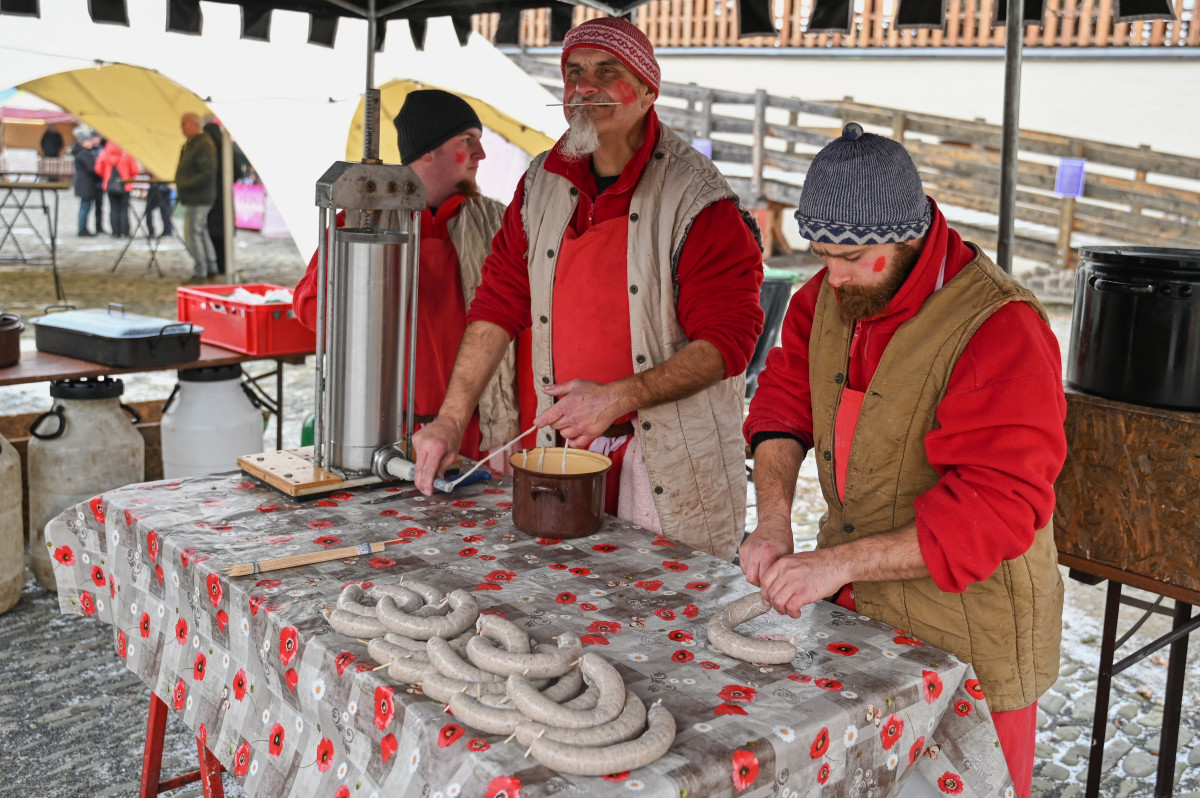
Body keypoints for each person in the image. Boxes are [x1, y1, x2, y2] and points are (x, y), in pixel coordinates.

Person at [739, 123, 1066, 798]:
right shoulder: (824, 298)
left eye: (854, 257)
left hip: (973, 637)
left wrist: (838, 563)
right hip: (863, 620)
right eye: (822, 254)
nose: (834, 275)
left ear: (910, 236)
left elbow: (995, 510)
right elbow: (781, 405)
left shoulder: (999, 326)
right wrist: (772, 519)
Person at [411, 18, 764, 560]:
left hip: (669, 460)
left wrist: (617, 397)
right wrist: (452, 419)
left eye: (606, 72)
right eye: (573, 73)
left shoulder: (699, 201)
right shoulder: (541, 183)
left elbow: (727, 344)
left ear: (647, 92)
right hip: (566, 454)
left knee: (660, 598)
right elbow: (498, 302)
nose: (584, 88)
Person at [293, 89, 522, 464]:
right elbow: (311, 310)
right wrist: (356, 247)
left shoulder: (498, 223)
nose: (481, 154)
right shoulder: (363, 222)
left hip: (477, 433)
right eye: (467, 141)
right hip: (380, 433)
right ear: (428, 150)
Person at [175, 112, 218, 282]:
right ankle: (210, 267)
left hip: (199, 197)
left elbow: (207, 173)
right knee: (200, 232)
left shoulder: (202, 144)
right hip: (196, 196)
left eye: (184, 123)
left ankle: (201, 270)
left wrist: (185, 184)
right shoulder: (193, 144)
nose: (182, 128)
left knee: (193, 233)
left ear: (195, 124)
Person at [94, 140, 139, 238]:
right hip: (124, 185)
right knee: (124, 209)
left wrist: (106, 176)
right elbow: (135, 170)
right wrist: (128, 176)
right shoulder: (127, 154)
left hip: (110, 185)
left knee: (113, 208)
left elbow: (98, 169)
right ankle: (125, 232)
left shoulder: (104, 153)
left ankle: (115, 232)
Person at [203, 119, 229, 275]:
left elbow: (236, 172)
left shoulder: (225, 151)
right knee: (212, 232)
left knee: (221, 234)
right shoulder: (209, 152)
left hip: (222, 199)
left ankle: (223, 265)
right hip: (212, 198)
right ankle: (218, 264)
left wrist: (220, 182)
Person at [70, 128, 102, 237]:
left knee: (85, 207)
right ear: (83, 142)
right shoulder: (83, 154)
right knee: (85, 207)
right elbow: (91, 169)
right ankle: (82, 229)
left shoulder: (83, 153)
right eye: (88, 141)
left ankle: (83, 228)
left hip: (85, 184)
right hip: (85, 185)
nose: (91, 142)